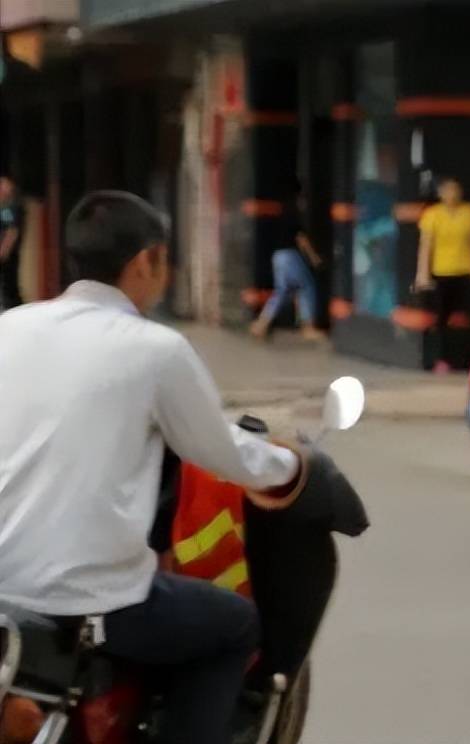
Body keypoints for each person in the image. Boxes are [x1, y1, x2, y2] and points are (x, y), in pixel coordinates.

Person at [0, 190, 306, 744]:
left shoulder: (10, 327)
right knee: (233, 626)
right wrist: (291, 464)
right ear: (146, 261)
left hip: (5, 594)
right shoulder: (154, 349)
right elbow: (224, 453)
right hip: (90, 605)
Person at [413, 177, 470, 373]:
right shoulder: (433, 214)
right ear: (441, 194)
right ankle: (441, 360)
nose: (452, 194)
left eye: (456, 190)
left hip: (465, 272)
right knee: (440, 320)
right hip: (441, 273)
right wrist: (422, 274)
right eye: (448, 190)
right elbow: (426, 245)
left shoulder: (469, 212)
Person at [250, 182, 324, 341]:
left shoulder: (280, 212)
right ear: (298, 197)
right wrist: (314, 258)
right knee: (306, 286)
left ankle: (261, 324)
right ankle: (308, 327)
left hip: (277, 256)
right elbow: (301, 239)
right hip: (290, 256)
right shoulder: (294, 213)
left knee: (281, 292)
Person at [0, 175, 25, 309]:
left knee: (8, 292)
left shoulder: (8, 209)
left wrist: (3, 252)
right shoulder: (5, 209)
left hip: (6, 261)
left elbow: (12, 231)